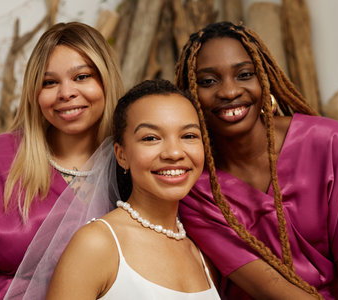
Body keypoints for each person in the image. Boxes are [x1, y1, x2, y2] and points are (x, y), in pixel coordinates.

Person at [175, 21, 338, 300]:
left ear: (264, 78)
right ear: (191, 93)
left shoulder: (329, 143)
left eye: (244, 74)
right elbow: (270, 290)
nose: (229, 91)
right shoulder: (194, 187)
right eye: (208, 81)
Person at [0, 22, 124, 300]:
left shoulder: (135, 164)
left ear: (106, 79)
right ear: (34, 93)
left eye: (82, 77)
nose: (66, 93)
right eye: (49, 82)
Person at [46, 79, 221, 299]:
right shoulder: (96, 244)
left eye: (188, 136)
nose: (174, 153)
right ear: (121, 155)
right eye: (151, 138)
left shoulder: (202, 255)